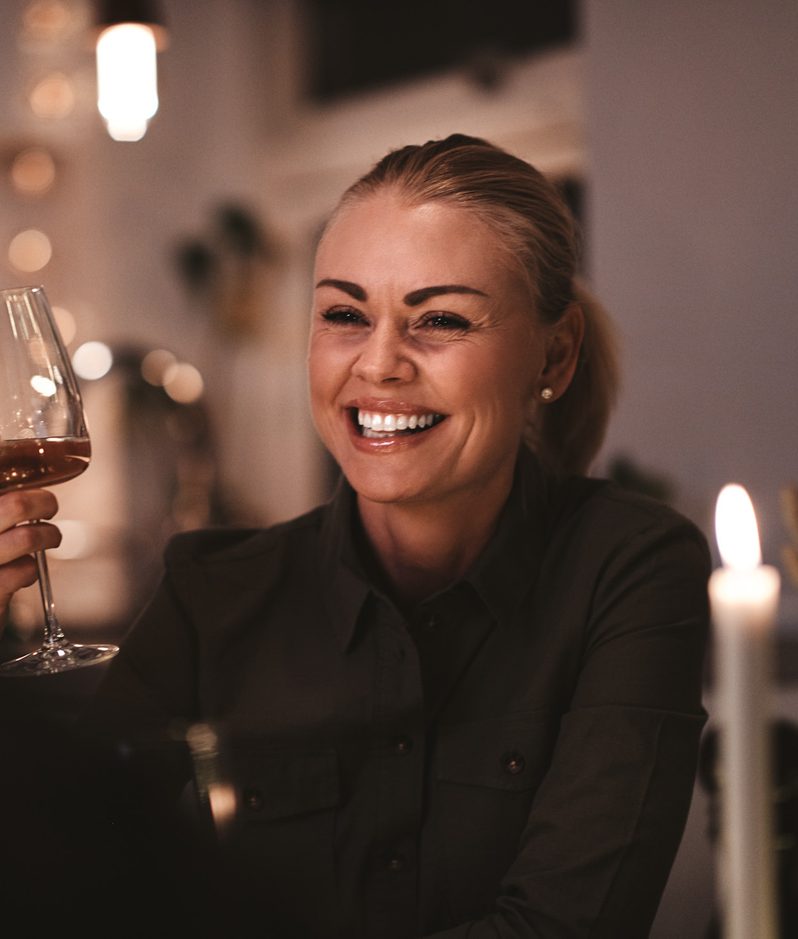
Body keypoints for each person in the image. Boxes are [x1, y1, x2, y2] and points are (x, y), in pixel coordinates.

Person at [0, 134, 710, 938]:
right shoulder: (211, 597)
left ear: (556, 352)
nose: (379, 364)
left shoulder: (629, 568)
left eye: (439, 319)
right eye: (344, 313)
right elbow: (62, 887)